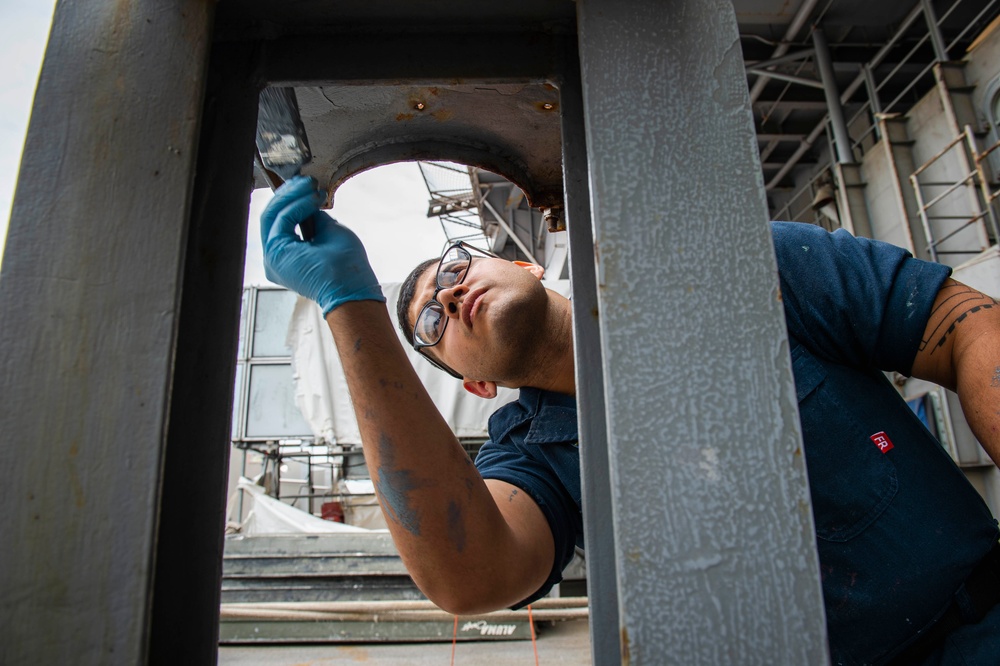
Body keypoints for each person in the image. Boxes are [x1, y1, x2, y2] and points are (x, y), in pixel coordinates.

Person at [261, 175, 1000, 664]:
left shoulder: (741, 269)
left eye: (455, 268)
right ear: (478, 385)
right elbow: (471, 575)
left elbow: (963, 325)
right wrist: (349, 308)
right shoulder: (536, 458)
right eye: (432, 320)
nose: (449, 295)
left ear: (522, 266)